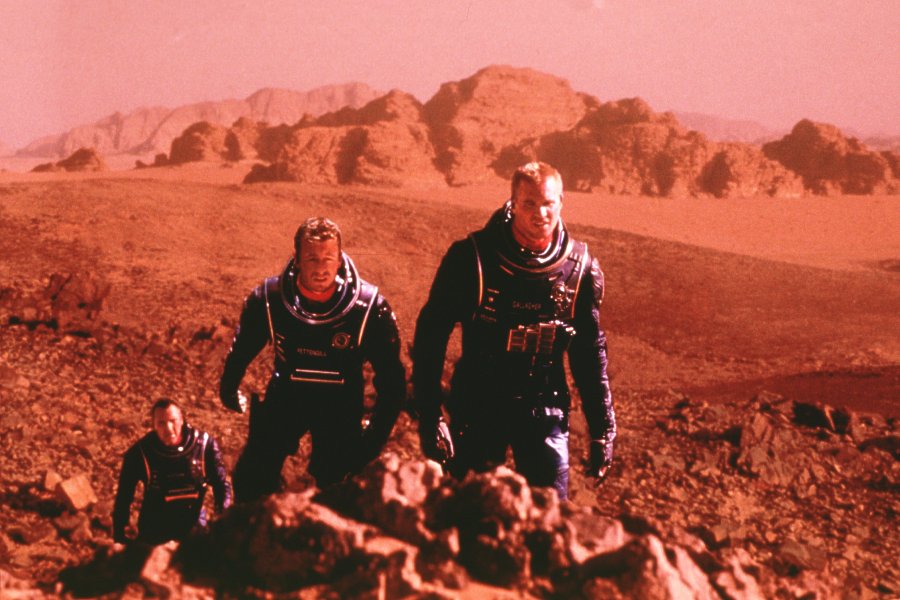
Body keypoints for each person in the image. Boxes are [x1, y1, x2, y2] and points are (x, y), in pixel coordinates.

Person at [413, 161, 616, 500]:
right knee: (472, 508)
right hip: (479, 400)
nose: (540, 213)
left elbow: (589, 353)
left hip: (545, 402)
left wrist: (602, 429)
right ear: (513, 203)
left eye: (548, 203)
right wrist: (430, 415)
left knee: (550, 512)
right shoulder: (471, 259)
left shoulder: (580, 268)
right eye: (529, 204)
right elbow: (430, 338)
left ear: (561, 201)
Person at [220, 216, 406, 500]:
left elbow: (393, 382)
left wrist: (372, 441)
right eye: (312, 259)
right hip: (288, 392)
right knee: (253, 476)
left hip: (341, 399)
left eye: (328, 258)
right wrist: (229, 386)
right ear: (296, 259)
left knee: (338, 485)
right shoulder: (269, 301)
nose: (320, 268)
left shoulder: (369, 309)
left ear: (340, 260)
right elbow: (242, 349)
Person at [112, 398, 232, 545]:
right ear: (153, 425)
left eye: (173, 421)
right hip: (155, 528)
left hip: (193, 525)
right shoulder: (141, 453)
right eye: (161, 423)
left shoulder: (204, 446)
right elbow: (124, 496)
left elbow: (222, 485)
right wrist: (119, 536)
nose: (168, 428)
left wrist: (222, 522)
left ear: (182, 420)